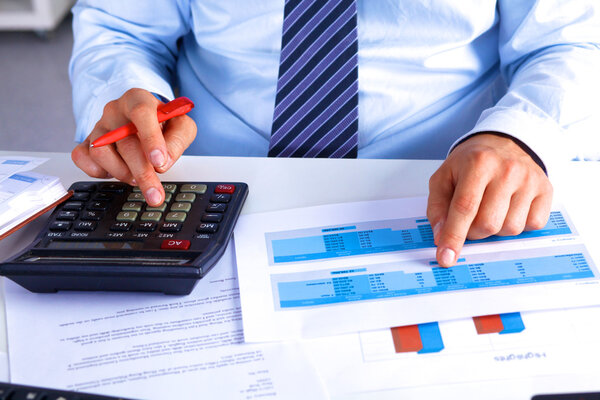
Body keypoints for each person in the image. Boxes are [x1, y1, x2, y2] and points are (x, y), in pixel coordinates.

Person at [68, 1, 600, 268]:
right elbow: (120, 26)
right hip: (203, 189)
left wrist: (517, 137)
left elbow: (569, 41)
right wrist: (127, 90)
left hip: (444, 191)